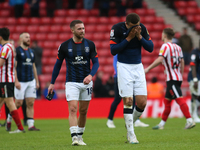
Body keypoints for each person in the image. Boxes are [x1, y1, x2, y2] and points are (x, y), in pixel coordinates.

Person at [48, 20, 99, 146]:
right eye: (79, 29)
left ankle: (80, 137)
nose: (82, 31)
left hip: (86, 83)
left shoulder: (90, 44)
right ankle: (74, 137)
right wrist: (52, 82)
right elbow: (57, 65)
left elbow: (96, 63)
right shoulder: (64, 46)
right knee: (72, 108)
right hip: (71, 82)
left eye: (83, 28)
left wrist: (91, 75)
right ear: (72, 30)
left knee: (83, 111)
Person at [110, 13, 154, 144]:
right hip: (123, 67)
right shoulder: (117, 29)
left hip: (138, 67)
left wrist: (139, 36)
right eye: (133, 27)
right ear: (126, 24)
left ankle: (130, 124)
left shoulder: (142, 28)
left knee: (142, 103)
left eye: (138, 26)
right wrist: (129, 38)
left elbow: (150, 48)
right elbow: (113, 50)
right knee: (128, 101)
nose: (136, 28)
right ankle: (131, 134)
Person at [145, 28, 195, 130]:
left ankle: (189, 120)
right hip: (177, 78)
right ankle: (162, 124)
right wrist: (180, 74)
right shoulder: (178, 47)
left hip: (172, 79)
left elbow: (160, 59)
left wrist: (148, 68)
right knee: (167, 101)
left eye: (162, 34)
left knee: (179, 99)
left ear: (164, 35)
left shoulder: (165, 46)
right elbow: (182, 62)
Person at [6, 32, 40, 131]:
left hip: (31, 81)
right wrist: (16, 81)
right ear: (21, 39)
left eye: (29, 37)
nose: (28, 39)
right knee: (18, 103)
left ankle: (31, 125)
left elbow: (33, 67)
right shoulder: (16, 51)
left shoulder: (31, 51)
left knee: (30, 103)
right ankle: (9, 119)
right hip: (21, 81)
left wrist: (36, 81)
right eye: (26, 37)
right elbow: (14, 67)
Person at [107, 55, 149, 129]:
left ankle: (136, 121)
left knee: (132, 99)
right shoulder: (118, 52)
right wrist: (120, 75)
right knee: (117, 100)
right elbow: (115, 64)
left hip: (128, 77)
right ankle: (110, 120)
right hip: (119, 77)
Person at [0, 27, 25, 133]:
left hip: (5, 80)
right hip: (7, 79)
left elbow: (0, 63)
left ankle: (20, 128)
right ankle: (19, 127)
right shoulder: (11, 47)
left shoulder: (6, 48)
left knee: (10, 103)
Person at [187, 40, 200, 123]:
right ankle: (194, 115)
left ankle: (195, 113)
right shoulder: (195, 52)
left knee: (198, 96)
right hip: (194, 78)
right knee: (194, 95)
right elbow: (193, 65)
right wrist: (195, 79)